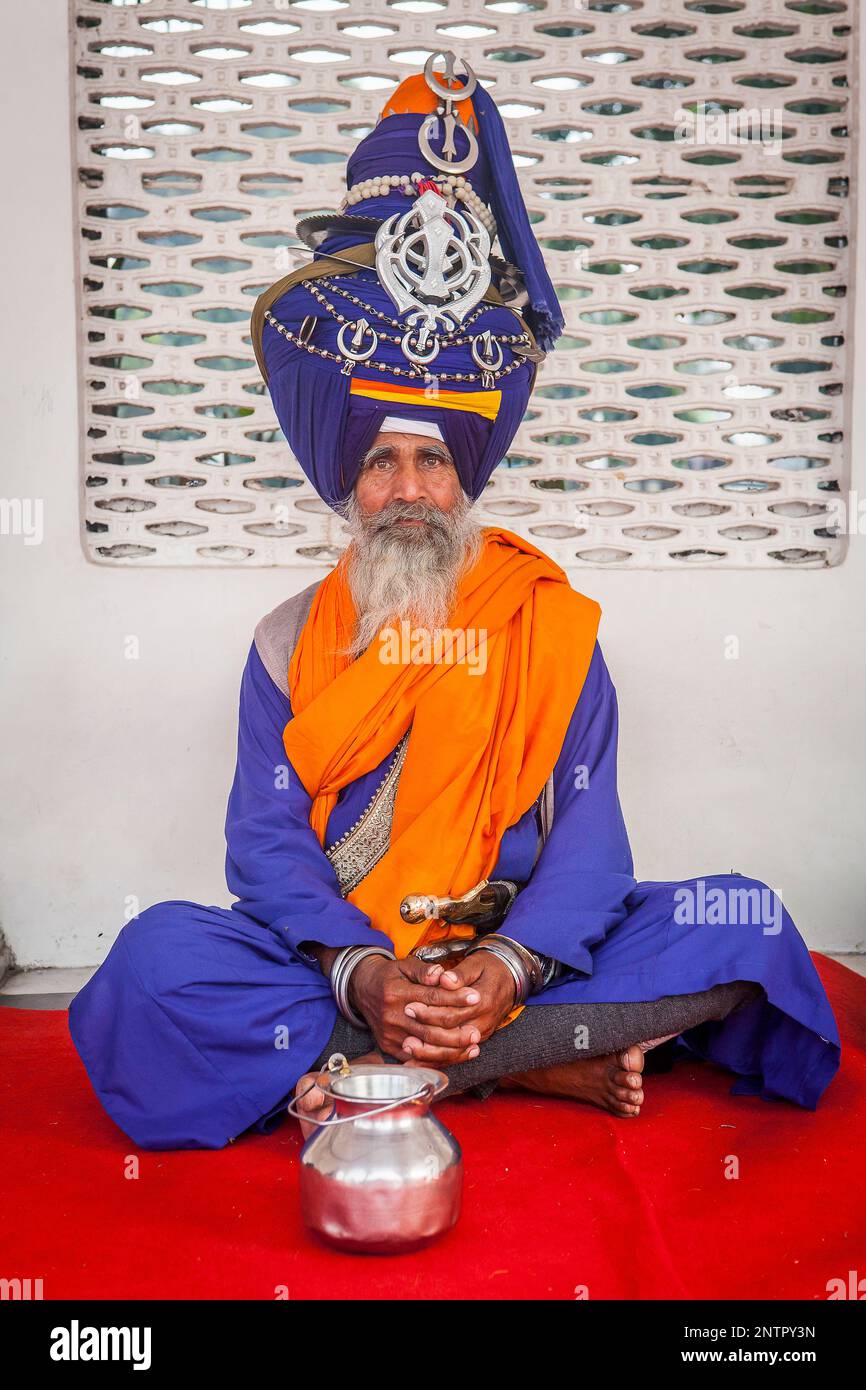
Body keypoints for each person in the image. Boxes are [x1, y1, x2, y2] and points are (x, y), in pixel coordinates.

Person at [69, 56, 840, 1151]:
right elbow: (264, 842)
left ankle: (437, 1057)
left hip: (513, 947)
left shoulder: (545, 620)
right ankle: (531, 1065)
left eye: (432, 464)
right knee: (151, 966)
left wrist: (505, 964)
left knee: (745, 921)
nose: (408, 493)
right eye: (378, 462)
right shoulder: (286, 639)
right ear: (347, 482)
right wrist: (364, 972)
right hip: (344, 970)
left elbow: (589, 838)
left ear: (465, 479)